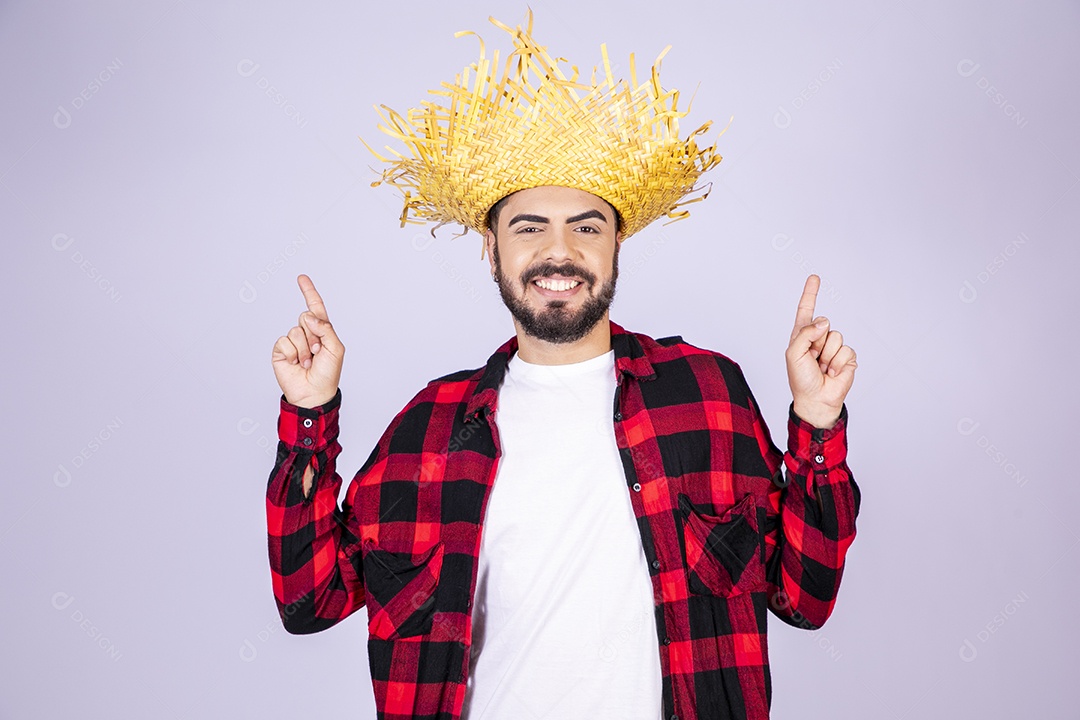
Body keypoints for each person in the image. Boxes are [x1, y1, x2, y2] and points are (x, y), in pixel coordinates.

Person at [265, 13, 859, 720]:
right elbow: (309, 599)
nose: (560, 252)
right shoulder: (430, 428)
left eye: (586, 226)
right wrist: (309, 417)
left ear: (614, 248)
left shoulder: (707, 394)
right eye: (529, 228)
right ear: (491, 252)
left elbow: (806, 598)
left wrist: (817, 423)